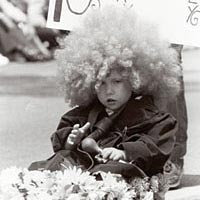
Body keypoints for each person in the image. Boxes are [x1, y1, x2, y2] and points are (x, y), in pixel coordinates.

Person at [29, 6, 181, 182]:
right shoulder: (85, 114)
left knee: (113, 173)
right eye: (101, 83)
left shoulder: (150, 117)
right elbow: (63, 140)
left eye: (117, 82)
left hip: (120, 177)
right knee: (55, 163)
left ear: (136, 79)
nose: (109, 90)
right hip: (82, 175)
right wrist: (71, 140)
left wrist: (124, 152)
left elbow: (156, 146)